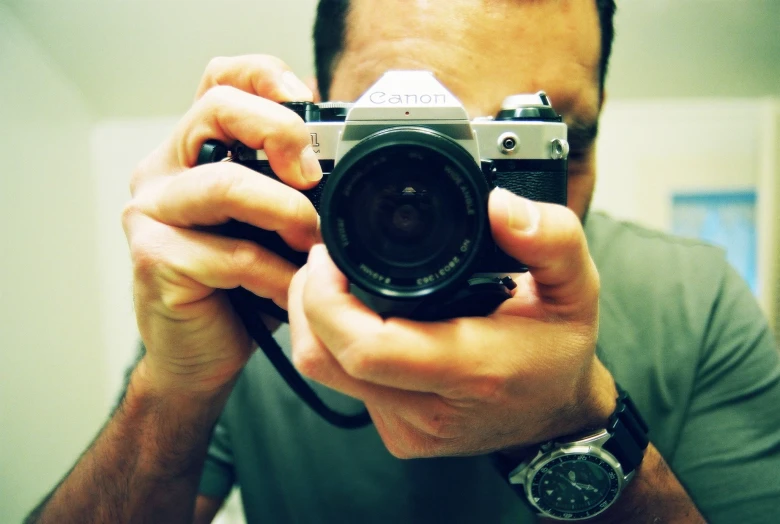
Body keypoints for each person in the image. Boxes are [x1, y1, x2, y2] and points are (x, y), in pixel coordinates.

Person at [26, 0, 780, 522]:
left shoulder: (698, 298)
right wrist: (173, 390)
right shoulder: (245, 290)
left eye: (543, 139)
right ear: (315, 127)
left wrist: (572, 425)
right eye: (405, 145)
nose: (461, 200)